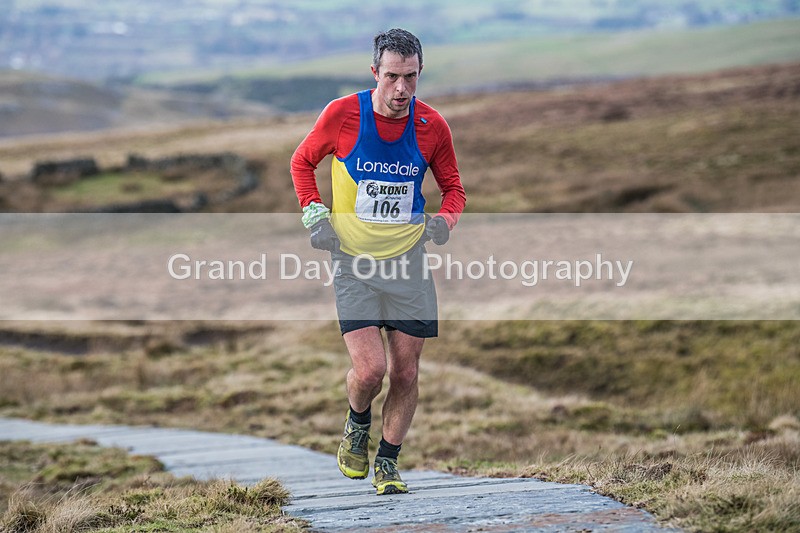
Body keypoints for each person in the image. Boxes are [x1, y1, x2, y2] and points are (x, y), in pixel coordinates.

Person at [290, 28, 466, 495]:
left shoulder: (433, 127)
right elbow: (301, 162)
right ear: (375, 73)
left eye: (410, 77)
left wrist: (445, 222)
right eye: (392, 77)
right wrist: (315, 216)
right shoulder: (343, 114)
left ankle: (387, 462)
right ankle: (356, 423)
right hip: (353, 262)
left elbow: (454, 189)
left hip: (408, 262)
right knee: (370, 371)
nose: (402, 89)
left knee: (406, 372)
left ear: (419, 72)